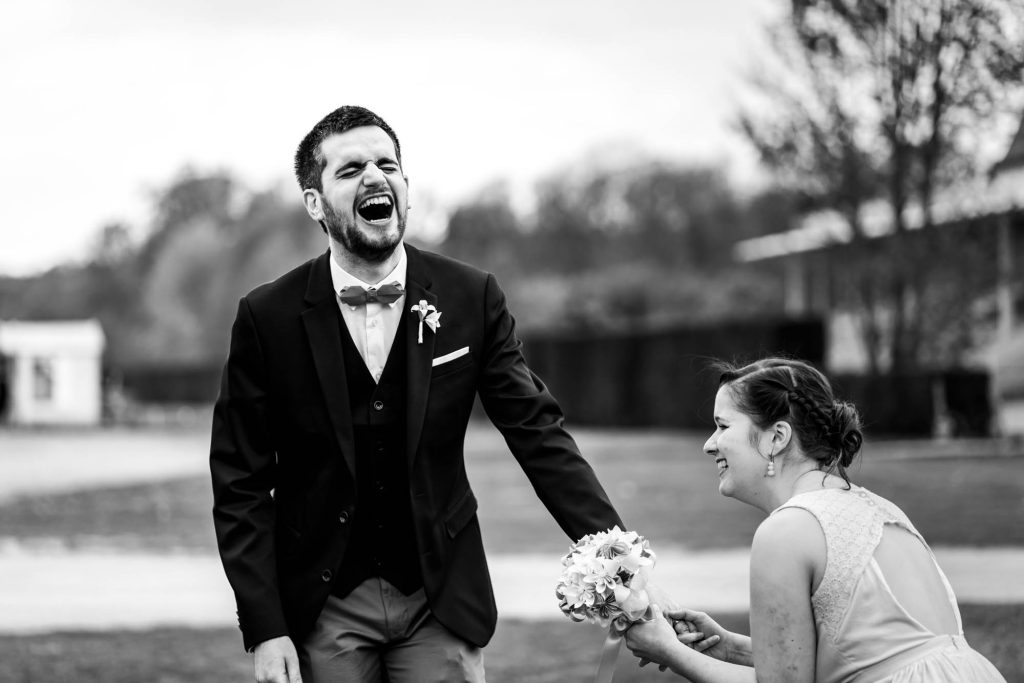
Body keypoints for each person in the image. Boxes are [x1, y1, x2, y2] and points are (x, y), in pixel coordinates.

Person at [209, 105, 626, 683]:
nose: (376, 177)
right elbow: (240, 482)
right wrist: (265, 625)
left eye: (388, 164)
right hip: (322, 604)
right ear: (315, 203)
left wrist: (613, 554)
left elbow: (537, 432)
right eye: (351, 169)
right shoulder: (266, 317)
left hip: (440, 598)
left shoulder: (470, 296)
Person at [625, 357, 1006, 682]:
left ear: (776, 437)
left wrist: (668, 651)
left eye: (723, 426)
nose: (709, 444)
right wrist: (731, 647)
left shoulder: (786, 530)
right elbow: (872, 652)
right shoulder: (880, 508)